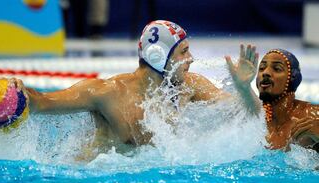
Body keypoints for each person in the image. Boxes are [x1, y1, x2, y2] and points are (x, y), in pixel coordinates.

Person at [20, 20, 260, 159]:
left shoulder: (189, 86)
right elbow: (42, 102)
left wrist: (244, 89)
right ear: (158, 56)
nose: (192, 59)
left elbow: (250, 115)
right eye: (183, 52)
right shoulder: (108, 93)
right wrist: (15, 91)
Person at [227, 48, 319, 151]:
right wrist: (243, 87)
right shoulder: (257, 117)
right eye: (261, 68)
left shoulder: (312, 115)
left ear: (293, 78)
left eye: (277, 69)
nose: (265, 72)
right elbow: (211, 96)